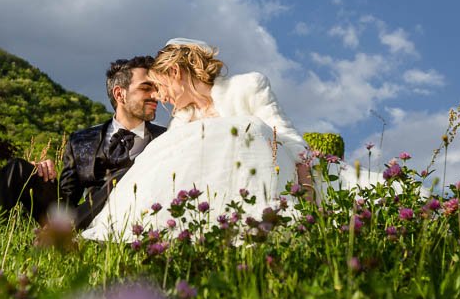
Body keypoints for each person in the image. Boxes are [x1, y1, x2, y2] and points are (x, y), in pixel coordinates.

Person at [82, 38, 313, 241]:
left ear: (175, 73)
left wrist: (307, 188)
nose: (160, 96)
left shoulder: (247, 87)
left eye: (161, 86)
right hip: (213, 204)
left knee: (245, 127)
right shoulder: (182, 121)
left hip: (267, 184)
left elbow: (285, 135)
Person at [0, 55, 167, 228]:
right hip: (83, 222)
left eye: (156, 88)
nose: (155, 95)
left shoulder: (167, 139)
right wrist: (41, 177)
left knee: (126, 174)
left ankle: (65, 228)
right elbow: (67, 200)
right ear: (119, 94)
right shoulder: (81, 141)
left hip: (136, 222)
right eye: (146, 88)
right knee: (19, 169)